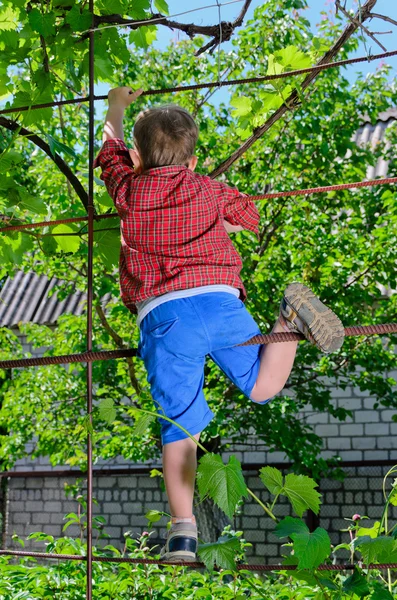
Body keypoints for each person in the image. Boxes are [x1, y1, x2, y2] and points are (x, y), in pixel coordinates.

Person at [94, 86, 344, 562]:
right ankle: (288, 318)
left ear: (139, 159)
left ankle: (183, 530)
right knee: (261, 387)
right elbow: (246, 216)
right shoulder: (207, 187)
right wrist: (213, 218)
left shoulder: (127, 187)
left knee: (180, 430)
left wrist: (116, 107)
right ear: (190, 162)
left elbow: (108, 150)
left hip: (166, 319)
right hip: (221, 303)